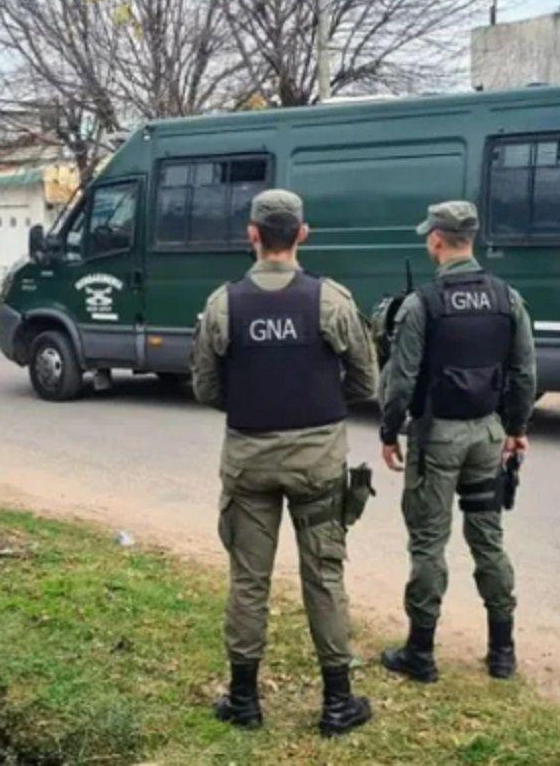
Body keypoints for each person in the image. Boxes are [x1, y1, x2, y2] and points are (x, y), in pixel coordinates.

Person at [190, 189, 377, 736]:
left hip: (249, 460)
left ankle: (244, 701)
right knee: (324, 576)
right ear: (302, 234)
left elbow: (206, 388)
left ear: (252, 234)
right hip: (317, 462)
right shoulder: (331, 301)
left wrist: (253, 404)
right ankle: (338, 704)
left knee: (249, 580)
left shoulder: (223, 304)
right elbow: (366, 381)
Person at [377, 200, 537, 683]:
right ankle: (502, 651)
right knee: (488, 539)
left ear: (436, 240)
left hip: (437, 438)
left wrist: (389, 430)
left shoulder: (422, 304)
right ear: (473, 239)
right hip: (487, 434)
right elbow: (524, 372)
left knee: (429, 543)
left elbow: (400, 380)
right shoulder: (507, 297)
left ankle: (421, 653)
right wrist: (516, 429)